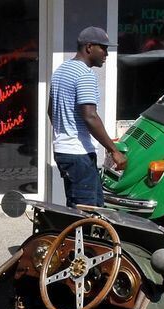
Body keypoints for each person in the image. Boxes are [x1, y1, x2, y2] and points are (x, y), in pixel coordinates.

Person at [48, 27, 128, 207]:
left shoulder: (61, 71)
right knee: (89, 212)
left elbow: (50, 111)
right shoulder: (85, 75)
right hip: (78, 154)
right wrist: (114, 150)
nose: (106, 53)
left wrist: (64, 132)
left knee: (76, 207)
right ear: (89, 47)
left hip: (63, 151)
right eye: (104, 48)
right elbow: (90, 116)